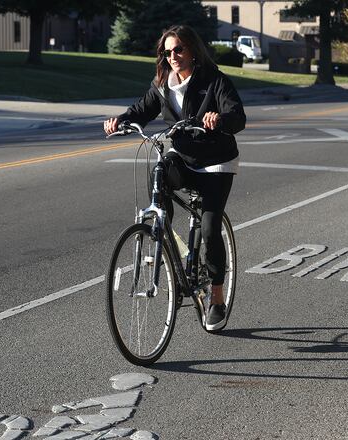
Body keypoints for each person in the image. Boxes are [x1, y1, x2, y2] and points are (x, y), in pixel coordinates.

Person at [104, 25, 246, 331]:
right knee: (160, 171)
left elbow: (238, 116)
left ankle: (217, 299)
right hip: (184, 157)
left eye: (178, 49)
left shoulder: (214, 81)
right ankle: (160, 237)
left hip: (216, 162)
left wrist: (219, 119)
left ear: (193, 50)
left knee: (210, 228)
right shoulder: (162, 84)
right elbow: (142, 110)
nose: (173, 56)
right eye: (167, 52)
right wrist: (121, 121)